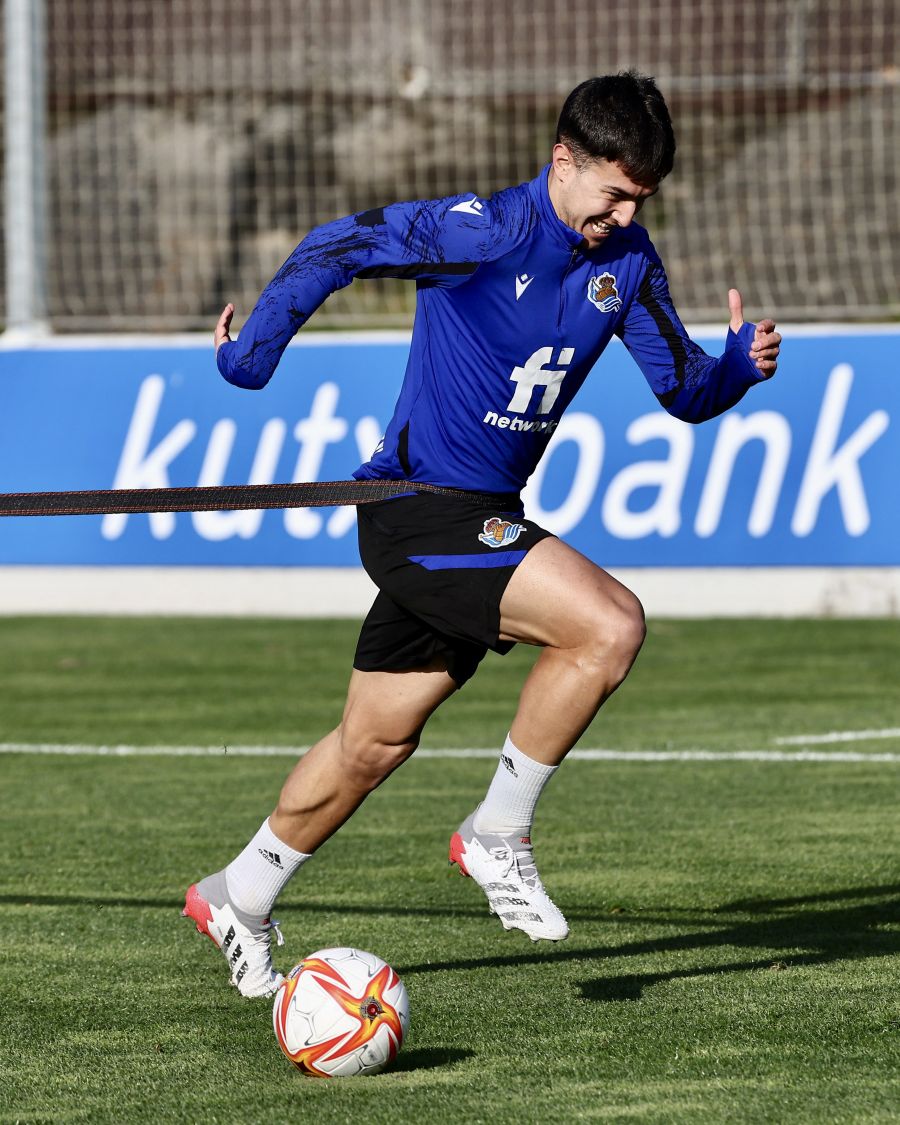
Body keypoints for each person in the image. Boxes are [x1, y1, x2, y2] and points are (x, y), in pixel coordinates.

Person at [182, 71, 781, 997]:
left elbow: (682, 388)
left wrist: (737, 368)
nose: (625, 216)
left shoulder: (627, 260)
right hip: (417, 509)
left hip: (477, 520)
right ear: (562, 161)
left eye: (641, 199)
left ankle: (239, 892)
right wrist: (249, 359)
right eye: (613, 194)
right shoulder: (481, 229)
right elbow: (337, 244)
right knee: (609, 624)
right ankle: (497, 833)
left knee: (373, 744)